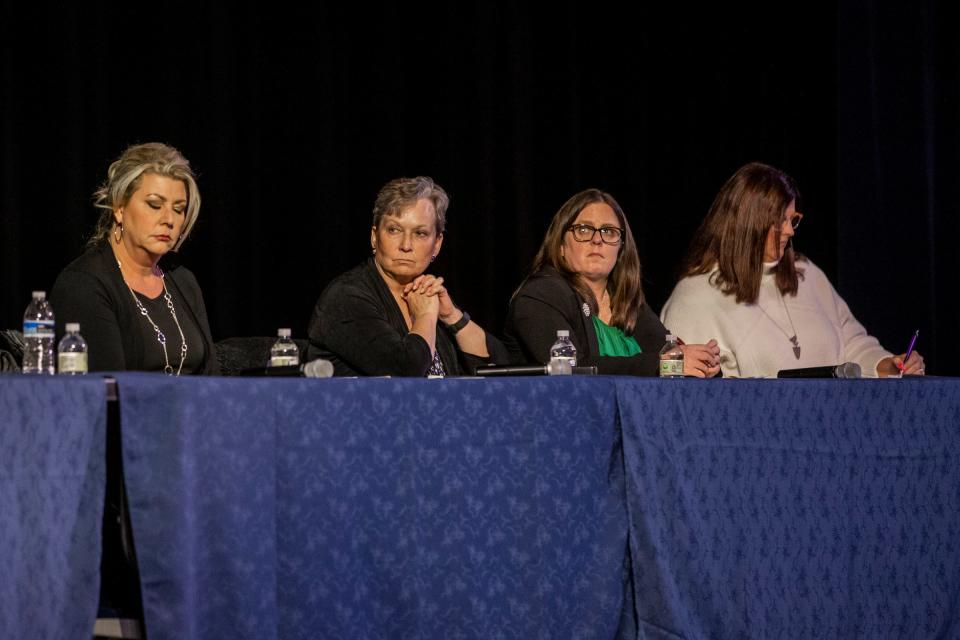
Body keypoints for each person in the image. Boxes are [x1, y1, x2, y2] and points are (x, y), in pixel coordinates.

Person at [660, 161, 924, 378]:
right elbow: (686, 389)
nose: (788, 230)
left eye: (793, 220)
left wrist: (887, 365)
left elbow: (852, 342)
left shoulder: (807, 275)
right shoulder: (696, 296)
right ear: (748, 224)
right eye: (779, 221)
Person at [503, 188, 721, 376]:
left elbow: (669, 354)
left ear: (621, 249)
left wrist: (702, 365)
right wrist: (663, 364)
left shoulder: (628, 303)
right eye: (584, 230)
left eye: (609, 232)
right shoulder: (540, 295)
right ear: (560, 246)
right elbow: (572, 368)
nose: (597, 240)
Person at [307, 176, 507, 376]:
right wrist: (426, 316)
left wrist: (451, 316)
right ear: (374, 237)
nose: (406, 245)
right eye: (394, 230)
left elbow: (499, 367)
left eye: (420, 233)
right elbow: (406, 373)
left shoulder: (425, 295)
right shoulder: (345, 298)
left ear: (437, 243)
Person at [50, 142, 217, 374]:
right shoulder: (84, 284)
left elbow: (212, 379)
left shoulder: (183, 281)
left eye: (179, 209)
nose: (169, 219)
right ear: (119, 207)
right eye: (154, 205)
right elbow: (106, 389)